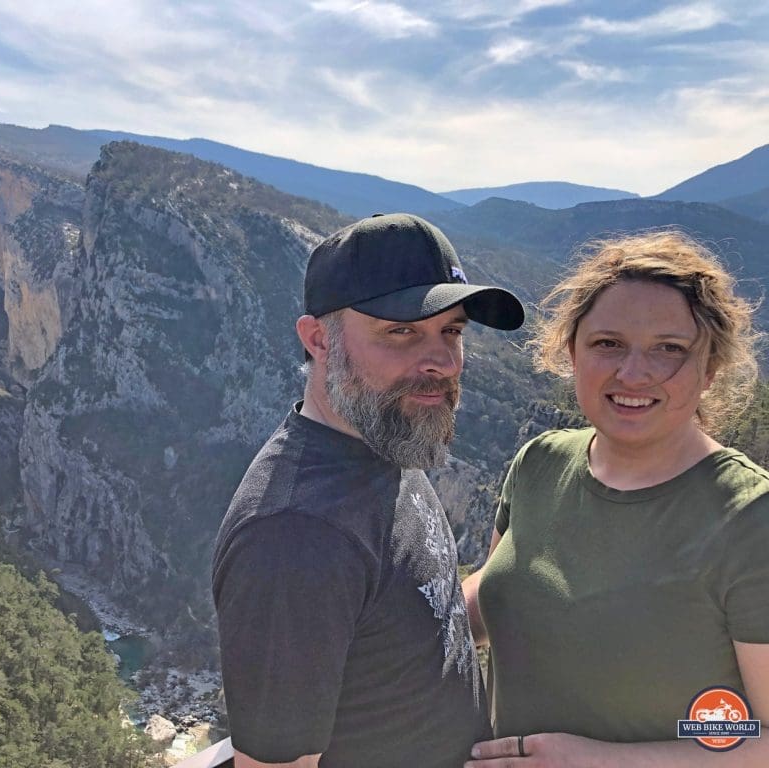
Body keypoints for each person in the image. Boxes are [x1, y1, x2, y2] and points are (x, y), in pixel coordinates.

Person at [211, 213, 525, 768]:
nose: (443, 362)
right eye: (401, 331)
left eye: (452, 331)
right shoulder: (294, 536)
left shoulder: (388, 437)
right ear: (318, 340)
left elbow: (424, 619)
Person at [463, 231, 769, 766]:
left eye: (669, 350)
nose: (633, 373)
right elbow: (495, 596)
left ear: (710, 370)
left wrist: (599, 759)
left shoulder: (748, 520)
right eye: (608, 343)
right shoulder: (540, 464)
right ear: (571, 352)